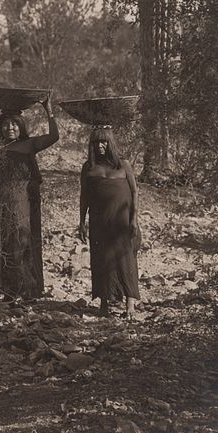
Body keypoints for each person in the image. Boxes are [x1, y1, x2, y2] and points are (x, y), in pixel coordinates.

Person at [0, 88, 59, 300]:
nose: (10, 128)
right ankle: (6, 292)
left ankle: (26, 290)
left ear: (21, 127)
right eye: (6, 124)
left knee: (21, 241)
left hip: (21, 202)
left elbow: (54, 136)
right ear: (1, 126)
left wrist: (49, 109)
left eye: (14, 124)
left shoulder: (30, 145)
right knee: (3, 242)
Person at [79, 125, 140, 319]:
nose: (100, 146)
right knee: (101, 258)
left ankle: (130, 302)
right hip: (98, 220)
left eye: (104, 141)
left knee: (126, 258)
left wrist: (134, 219)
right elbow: (84, 196)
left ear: (110, 143)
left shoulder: (123, 165)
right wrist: (81, 222)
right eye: (96, 142)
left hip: (121, 220)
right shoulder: (88, 167)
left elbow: (135, 191)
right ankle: (104, 302)